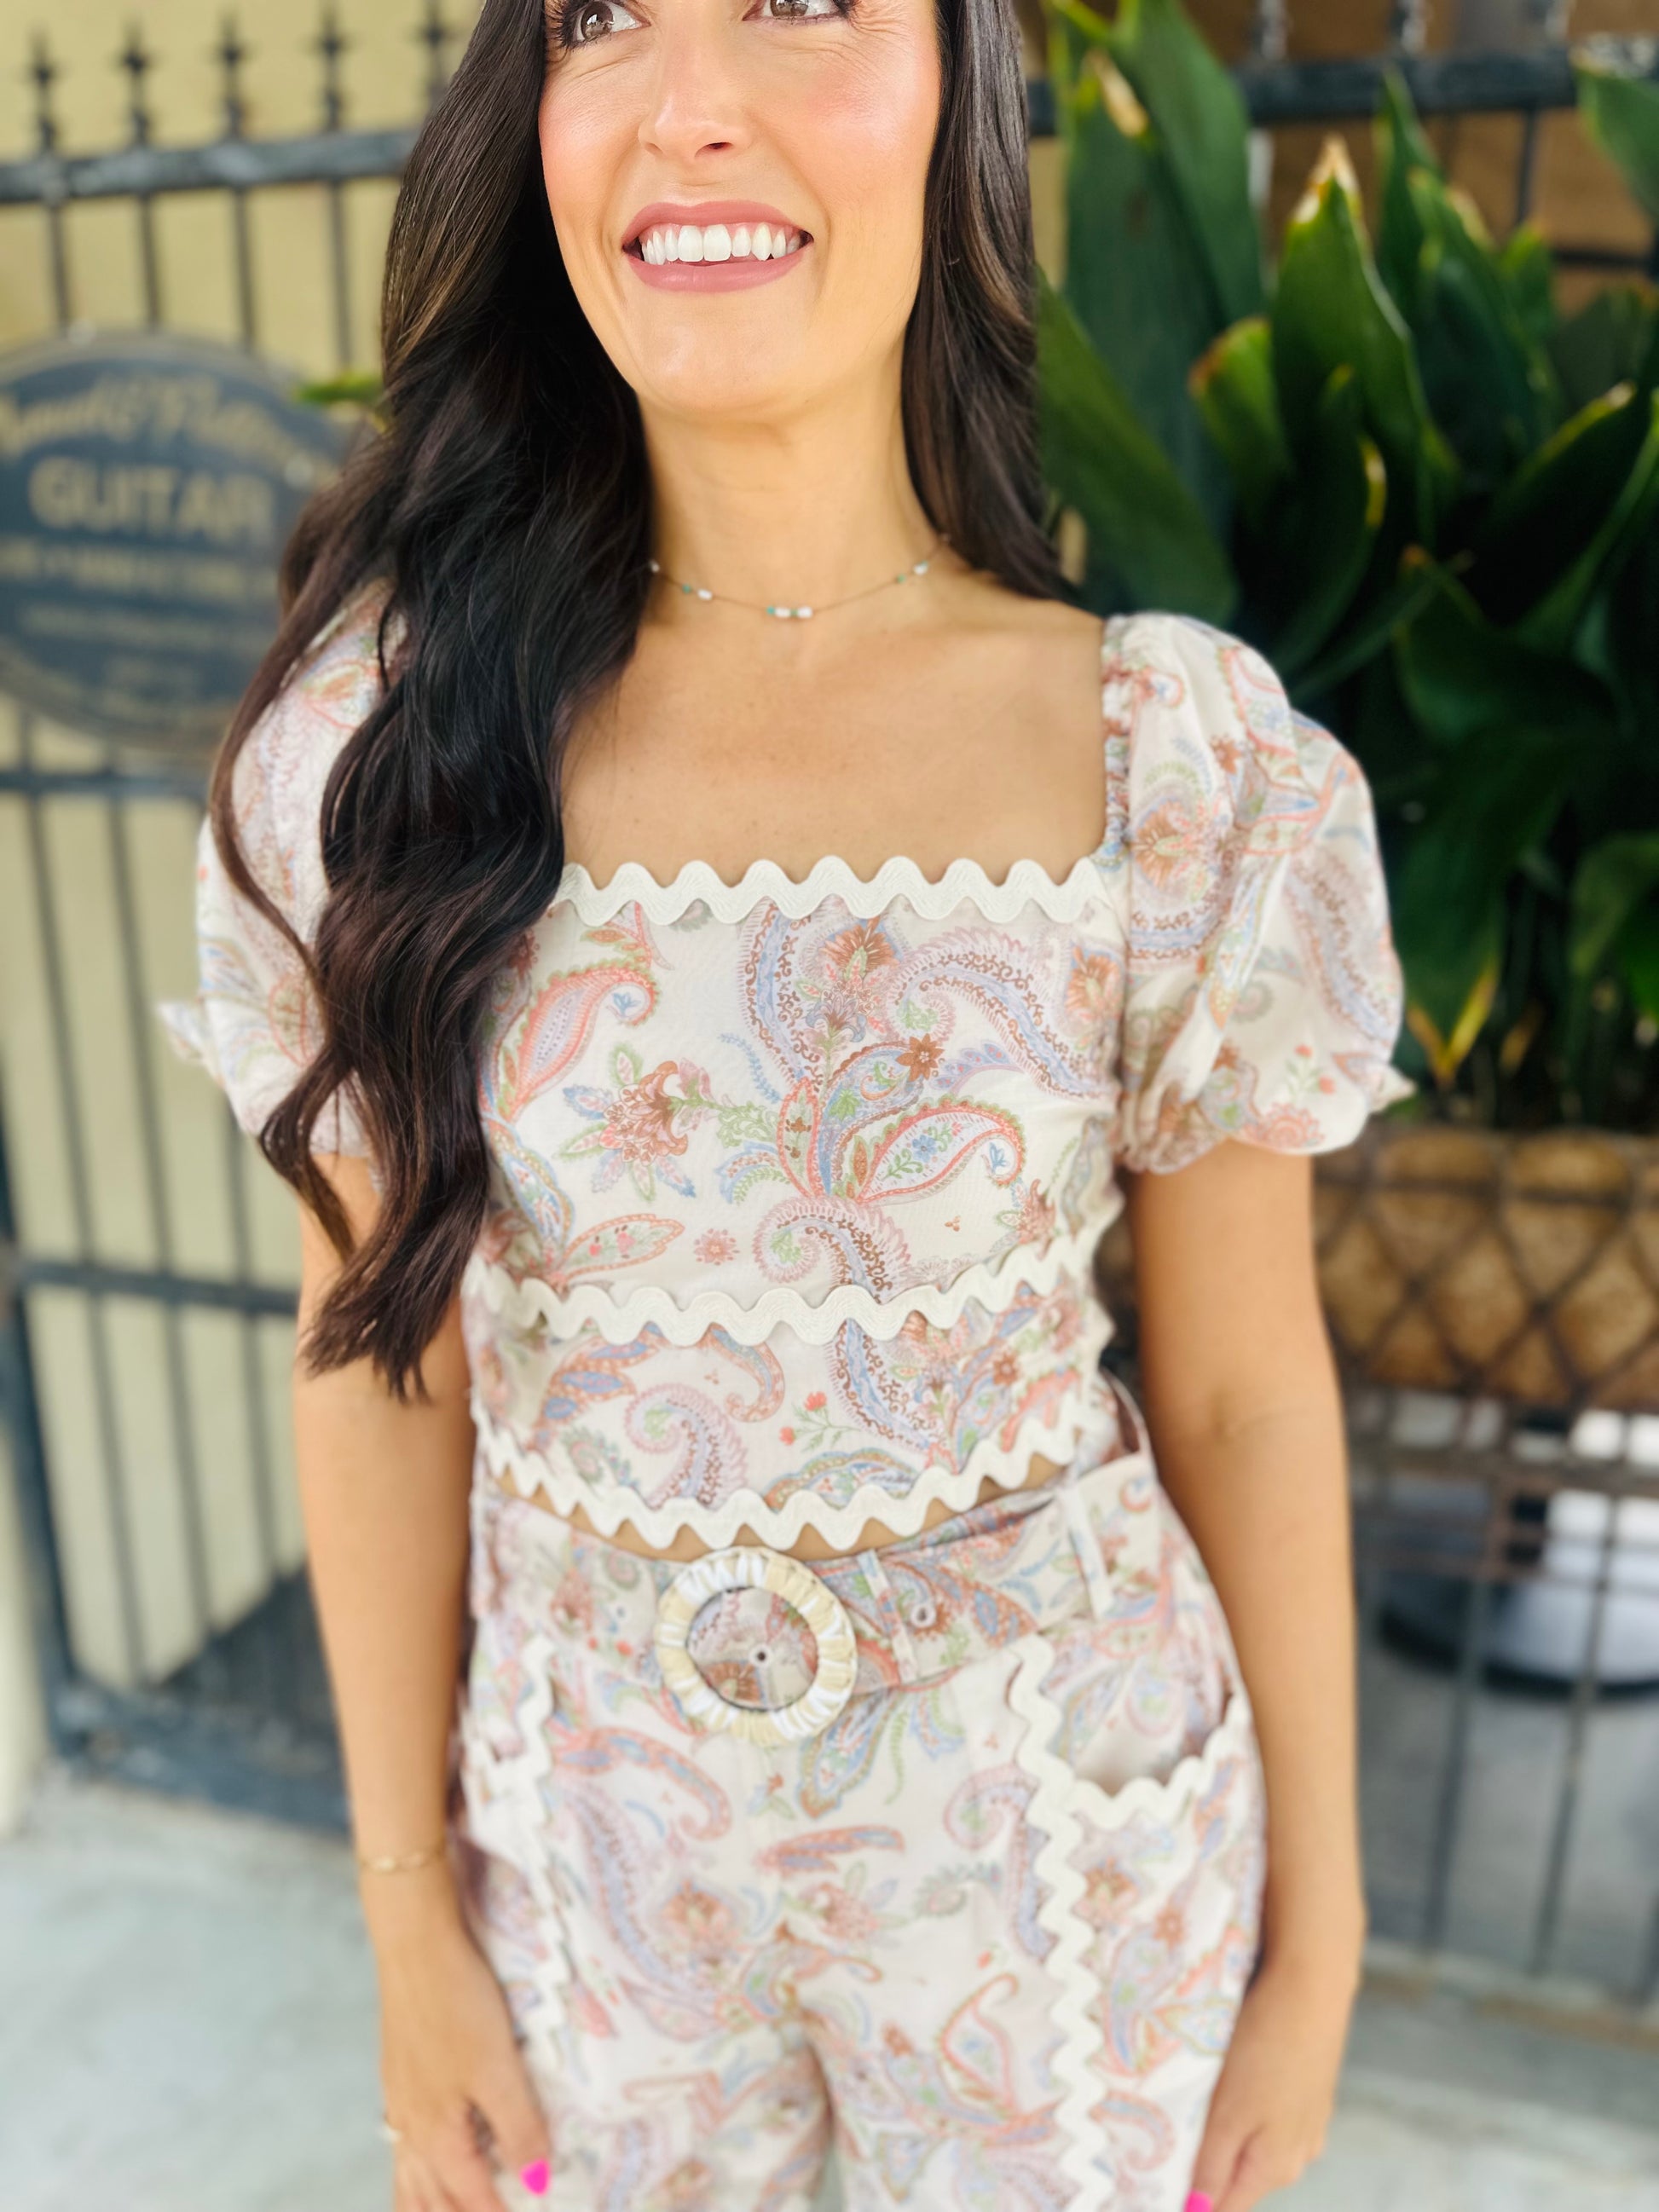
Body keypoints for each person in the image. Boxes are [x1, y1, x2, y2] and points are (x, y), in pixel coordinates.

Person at [162, 0, 1408, 2203]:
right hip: (585, 1862)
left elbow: (1237, 1390)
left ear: (959, 93)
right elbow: (377, 1362)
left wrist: (1323, 1932)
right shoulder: (382, 764)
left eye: (803, 1)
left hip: (1062, 1858)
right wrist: (403, 1917)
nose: (689, 104)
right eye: (601, 18)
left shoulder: (1175, 764)